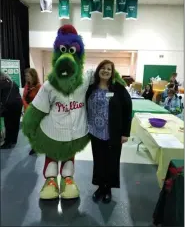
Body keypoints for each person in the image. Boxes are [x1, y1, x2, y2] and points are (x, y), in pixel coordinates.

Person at [22, 25, 126, 201]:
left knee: (69, 159)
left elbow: (105, 72)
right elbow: (37, 109)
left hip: (75, 133)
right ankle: (51, 181)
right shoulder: (49, 86)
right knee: (52, 157)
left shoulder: (85, 80)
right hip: (52, 132)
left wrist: (117, 79)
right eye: (62, 51)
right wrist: (30, 127)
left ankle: (68, 179)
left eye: (71, 51)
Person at [86, 60, 132, 204]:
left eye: (109, 69)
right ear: (98, 70)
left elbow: (127, 110)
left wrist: (125, 133)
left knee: (112, 162)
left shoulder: (118, 89)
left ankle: (108, 190)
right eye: (103, 68)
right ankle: (100, 187)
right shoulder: (91, 88)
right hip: (95, 132)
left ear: (112, 73)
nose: (106, 71)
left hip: (113, 133)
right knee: (99, 161)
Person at [0, 71, 23, 149]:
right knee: (15, 123)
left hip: (9, 106)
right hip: (18, 104)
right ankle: (13, 140)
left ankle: (7, 143)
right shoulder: (12, 82)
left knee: (8, 124)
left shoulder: (2, 84)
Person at [22, 68, 41, 155]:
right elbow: (23, 97)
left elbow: (40, 101)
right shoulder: (27, 85)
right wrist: (26, 106)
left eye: (28, 76)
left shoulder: (39, 87)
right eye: (25, 76)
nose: (26, 78)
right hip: (27, 111)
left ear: (33, 76)